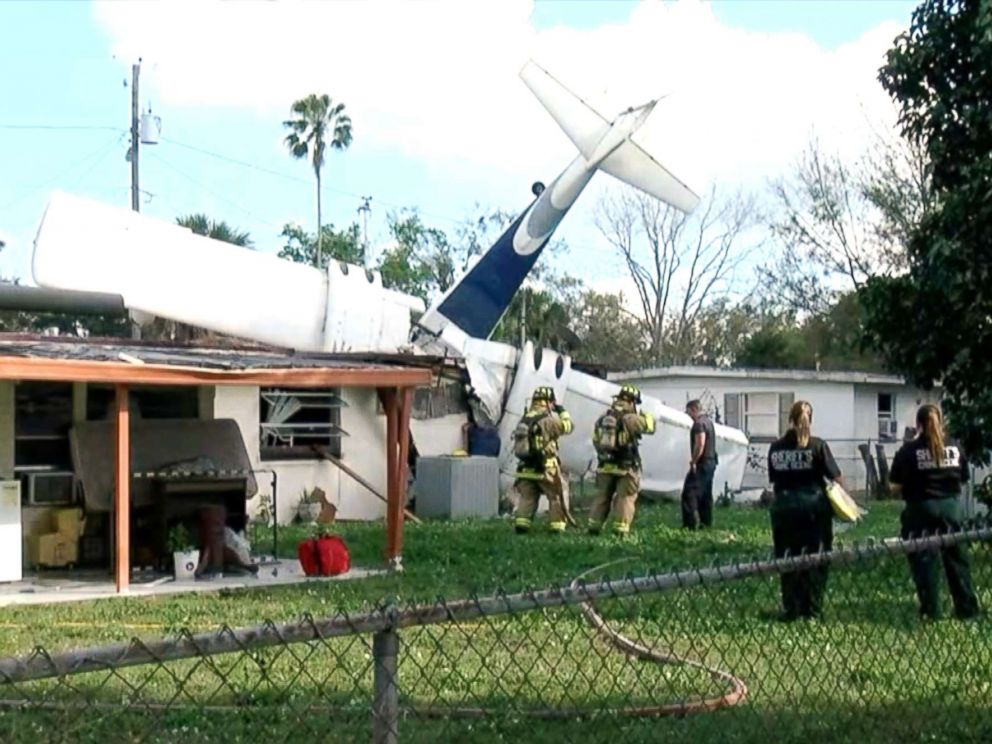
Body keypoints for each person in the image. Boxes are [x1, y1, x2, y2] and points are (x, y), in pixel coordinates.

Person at [889, 404, 979, 621]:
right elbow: (963, 478)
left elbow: (895, 485)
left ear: (918, 425)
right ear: (941, 422)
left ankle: (931, 611)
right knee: (958, 560)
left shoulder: (909, 451)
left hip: (921, 510)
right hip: (951, 509)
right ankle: (967, 610)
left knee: (924, 560)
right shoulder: (955, 447)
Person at [767, 401, 843, 621]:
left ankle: (792, 608)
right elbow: (835, 477)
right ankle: (813, 610)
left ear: (790, 419)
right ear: (811, 419)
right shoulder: (818, 446)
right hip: (814, 509)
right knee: (817, 558)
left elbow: (774, 479)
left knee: (787, 558)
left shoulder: (776, 448)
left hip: (784, 509)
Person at [588, 384, 656, 536]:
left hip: (605, 465)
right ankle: (620, 531)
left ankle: (593, 527)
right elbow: (651, 428)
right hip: (625, 466)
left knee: (602, 497)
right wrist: (646, 415)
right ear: (632, 402)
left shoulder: (603, 417)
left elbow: (595, 439)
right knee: (625, 497)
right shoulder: (631, 418)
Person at [511, 386, 574, 534]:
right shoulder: (548, 420)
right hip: (545, 467)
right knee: (557, 495)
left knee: (527, 497)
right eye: (552, 403)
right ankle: (557, 528)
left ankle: (522, 526)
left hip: (525, 468)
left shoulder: (524, 419)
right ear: (548, 402)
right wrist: (562, 412)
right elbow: (568, 427)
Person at [682, 400, 718, 529]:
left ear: (693, 409)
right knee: (705, 494)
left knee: (689, 493)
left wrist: (694, 461)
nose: (688, 415)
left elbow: (700, 443)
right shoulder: (708, 422)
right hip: (711, 461)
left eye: (688, 411)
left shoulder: (698, 424)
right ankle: (706, 523)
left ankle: (690, 524)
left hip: (702, 463)